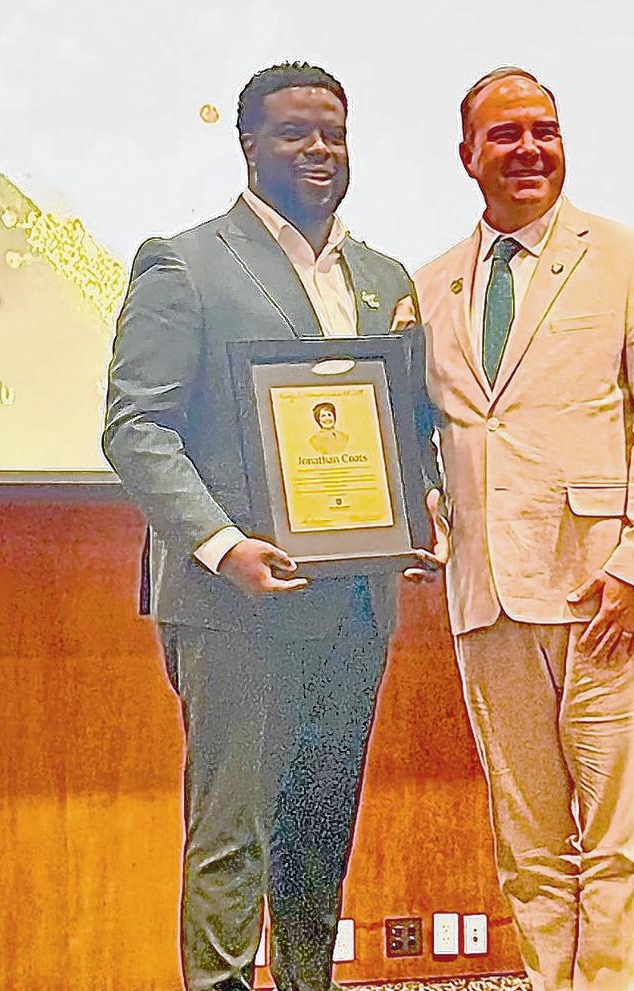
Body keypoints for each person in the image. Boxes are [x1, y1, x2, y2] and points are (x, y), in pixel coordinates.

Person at [103, 61, 439, 991]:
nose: (319, 150)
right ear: (249, 145)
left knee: (320, 836)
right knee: (233, 839)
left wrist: (425, 505)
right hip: (234, 605)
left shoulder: (383, 278)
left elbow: (407, 426)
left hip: (358, 605)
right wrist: (223, 546)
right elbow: (136, 427)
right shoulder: (185, 263)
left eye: (334, 133)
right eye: (295, 133)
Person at [414, 67, 634, 991]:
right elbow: (425, 438)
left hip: (603, 592)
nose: (530, 149)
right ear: (467, 156)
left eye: (545, 130)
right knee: (529, 846)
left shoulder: (626, 257)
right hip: (487, 597)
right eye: (505, 135)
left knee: (618, 841)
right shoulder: (429, 286)